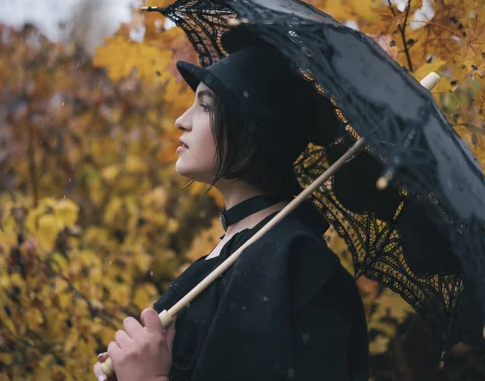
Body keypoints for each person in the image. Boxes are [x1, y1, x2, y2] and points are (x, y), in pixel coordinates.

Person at [93, 43, 369, 381]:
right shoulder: (229, 252)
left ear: (250, 127)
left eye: (205, 106)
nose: (182, 121)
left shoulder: (297, 265)